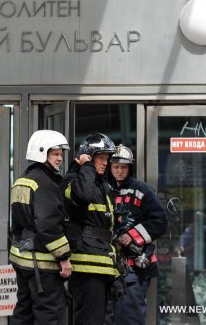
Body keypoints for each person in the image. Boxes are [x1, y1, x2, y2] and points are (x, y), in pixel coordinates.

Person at [9, 130, 73, 324]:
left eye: (60, 154)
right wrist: (64, 258)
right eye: (55, 154)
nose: (60, 158)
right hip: (42, 265)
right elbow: (48, 225)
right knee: (49, 315)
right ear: (41, 153)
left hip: (23, 262)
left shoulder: (22, 180)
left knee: (23, 314)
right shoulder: (45, 184)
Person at [61, 132, 119, 325]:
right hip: (86, 265)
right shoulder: (72, 181)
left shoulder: (102, 185)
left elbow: (106, 227)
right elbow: (83, 196)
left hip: (101, 263)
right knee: (88, 321)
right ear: (87, 156)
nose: (105, 163)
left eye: (106, 159)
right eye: (100, 158)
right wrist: (85, 166)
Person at [109, 144, 168, 325]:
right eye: (116, 167)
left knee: (130, 317)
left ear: (130, 168)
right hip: (107, 266)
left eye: (124, 167)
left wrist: (132, 236)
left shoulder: (142, 190)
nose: (119, 171)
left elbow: (160, 222)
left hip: (134, 265)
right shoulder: (103, 190)